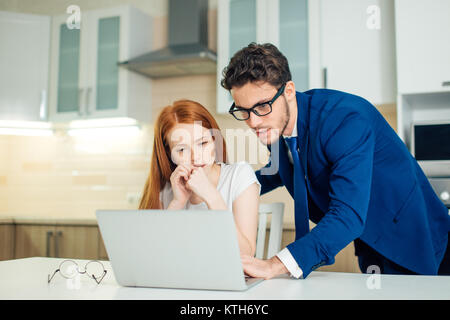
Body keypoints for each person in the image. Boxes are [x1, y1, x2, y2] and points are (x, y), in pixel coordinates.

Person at [220, 42, 450, 279]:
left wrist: (275, 264)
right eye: (243, 111)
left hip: (415, 236)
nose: (253, 122)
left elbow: (347, 215)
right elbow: (280, 170)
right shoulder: (275, 124)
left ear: (288, 91)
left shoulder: (344, 119)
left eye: (261, 106)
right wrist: (223, 185)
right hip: (369, 241)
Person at [139, 99, 261, 256]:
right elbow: (149, 254)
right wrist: (177, 203)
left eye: (203, 143)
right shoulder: (167, 188)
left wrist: (212, 196)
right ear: (169, 155)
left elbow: (246, 255)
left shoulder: (239, 175)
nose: (196, 157)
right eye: (182, 149)